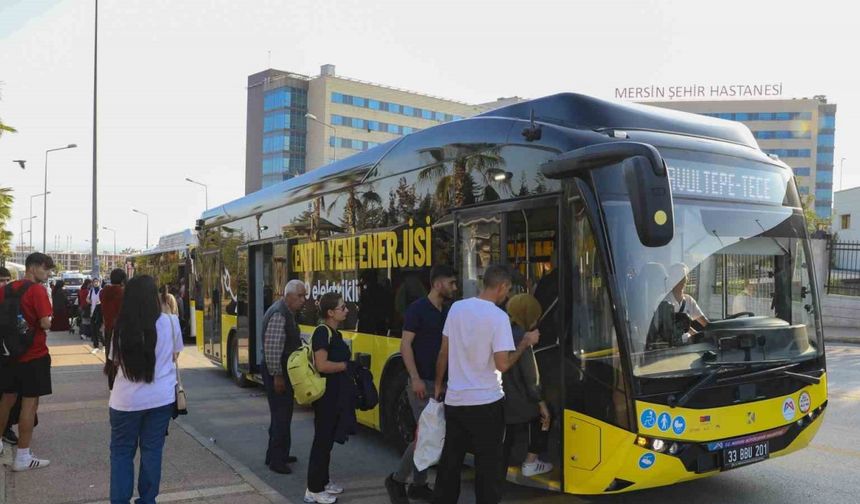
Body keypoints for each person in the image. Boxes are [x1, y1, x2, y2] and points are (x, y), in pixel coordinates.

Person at [432, 265, 539, 504]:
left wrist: (439, 385)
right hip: (487, 404)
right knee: (488, 466)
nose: (508, 295)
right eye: (508, 289)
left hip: (455, 400)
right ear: (501, 286)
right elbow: (502, 365)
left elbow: (443, 352)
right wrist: (524, 342)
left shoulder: (457, 308)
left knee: (451, 461)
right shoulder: (498, 317)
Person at [385, 265, 457, 504]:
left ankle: (418, 485)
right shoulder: (417, 310)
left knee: (429, 435)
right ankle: (397, 480)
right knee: (424, 434)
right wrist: (414, 378)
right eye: (451, 283)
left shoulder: (447, 311)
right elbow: (405, 345)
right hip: (421, 382)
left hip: (441, 383)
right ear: (437, 284)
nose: (454, 287)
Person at [108, 275, 183, 504]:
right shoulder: (171, 322)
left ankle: (120, 500)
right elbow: (175, 355)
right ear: (154, 297)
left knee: (122, 453)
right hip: (161, 399)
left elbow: (115, 362)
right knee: (152, 451)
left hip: (125, 401)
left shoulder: (121, 327)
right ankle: (147, 499)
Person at [0, 252, 56, 470]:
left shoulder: (5, 290)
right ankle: (23, 456)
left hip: (8, 355)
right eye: (46, 268)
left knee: (6, 398)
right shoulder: (37, 291)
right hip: (34, 355)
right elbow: (45, 323)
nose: (48, 272)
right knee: (29, 403)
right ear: (33, 267)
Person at [305, 292, 353, 504]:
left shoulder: (335, 333)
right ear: (330, 312)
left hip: (335, 396)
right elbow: (321, 365)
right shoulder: (322, 333)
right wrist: (344, 366)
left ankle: (323, 482)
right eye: (342, 308)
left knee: (327, 442)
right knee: (322, 441)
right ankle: (313, 489)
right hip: (325, 396)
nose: (346, 310)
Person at [501, 294, 552, 481]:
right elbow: (531, 378)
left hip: (504, 398)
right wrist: (542, 403)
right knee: (545, 418)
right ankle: (531, 462)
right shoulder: (525, 338)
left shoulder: (503, 330)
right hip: (520, 400)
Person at [261, 279, 306, 475]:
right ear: (288, 296)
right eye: (300, 296)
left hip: (280, 371)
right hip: (278, 372)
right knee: (281, 415)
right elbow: (272, 349)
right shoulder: (280, 314)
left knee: (282, 414)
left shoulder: (286, 311)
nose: (304, 300)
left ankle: (275, 454)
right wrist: (277, 376)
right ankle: (276, 461)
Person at [665, 263, 708, 342]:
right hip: (669, 347)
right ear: (671, 279)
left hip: (688, 346)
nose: (680, 279)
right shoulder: (663, 301)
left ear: (686, 279)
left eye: (683, 276)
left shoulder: (689, 300)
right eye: (676, 275)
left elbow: (706, 323)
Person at [100, 269, 126, 357]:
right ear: (122, 279)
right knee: (118, 353)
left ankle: (109, 367)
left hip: (107, 325)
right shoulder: (123, 292)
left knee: (109, 350)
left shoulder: (103, 292)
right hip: (120, 327)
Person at [89, 278, 103, 350]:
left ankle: (103, 343)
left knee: (99, 329)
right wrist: (89, 301)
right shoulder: (91, 291)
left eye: (97, 282)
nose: (95, 283)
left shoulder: (102, 291)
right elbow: (87, 299)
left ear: (100, 282)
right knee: (93, 329)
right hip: (93, 312)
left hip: (99, 313)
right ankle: (95, 344)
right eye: (94, 282)